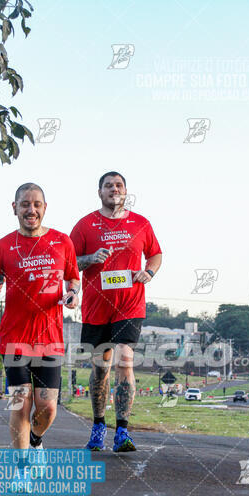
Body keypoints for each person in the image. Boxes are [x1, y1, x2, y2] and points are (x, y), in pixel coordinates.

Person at [0, 182, 79, 488]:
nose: (30, 210)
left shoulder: (62, 242)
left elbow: (73, 278)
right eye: (24, 204)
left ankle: (36, 440)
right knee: (19, 404)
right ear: (15, 208)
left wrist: (73, 294)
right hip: (15, 338)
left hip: (50, 338)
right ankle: (21, 470)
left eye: (36, 204)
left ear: (44, 208)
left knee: (47, 407)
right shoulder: (2, 246)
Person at [70, 171, 162, 451]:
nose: (114, 189)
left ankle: (122, 430)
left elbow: (156, 254)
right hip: (97, 308)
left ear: (125, 191)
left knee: (125, 360)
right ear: (100, 192)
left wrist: (149, 271)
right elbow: (68, 263)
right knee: (101, 369)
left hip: (130, 304)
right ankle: (99, 425)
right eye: (108, 186)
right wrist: (89, 258)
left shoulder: (141, 224)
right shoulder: (85, 225)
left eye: (119, 185)